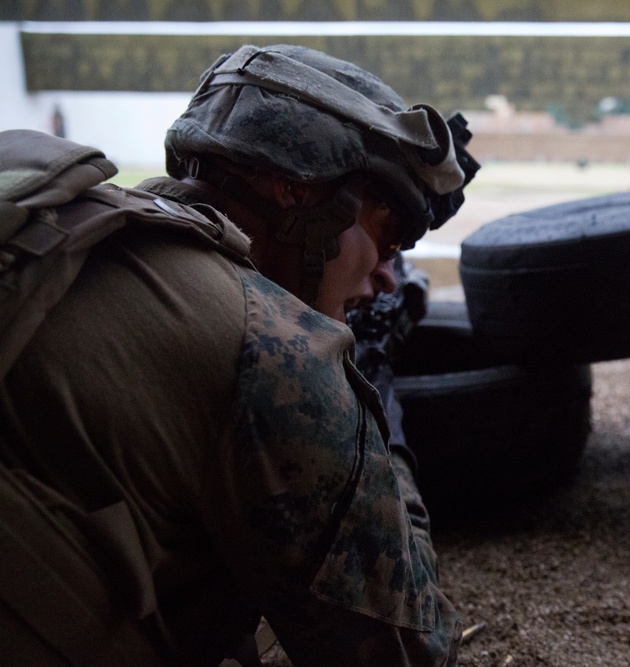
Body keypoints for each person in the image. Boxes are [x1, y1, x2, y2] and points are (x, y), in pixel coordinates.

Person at [0, 44, 476, 666]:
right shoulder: (271, 347)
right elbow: (409, 648)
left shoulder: (59, 233)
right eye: (389, 235)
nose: (387, 275)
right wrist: (372, 418)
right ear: (297, 190)